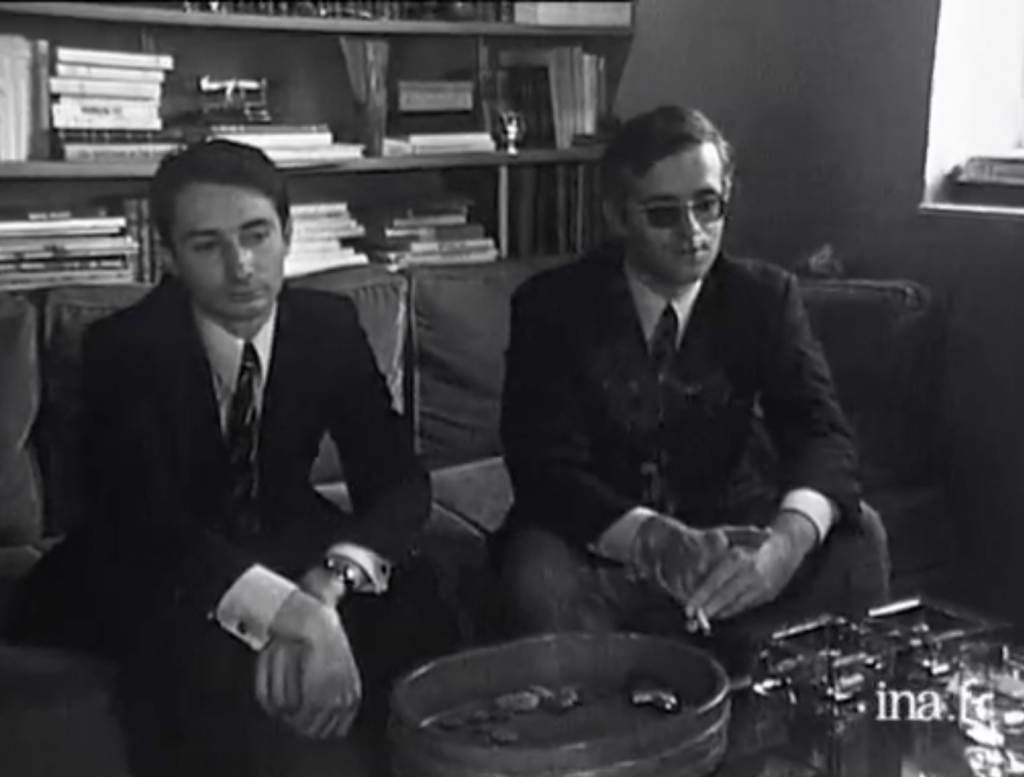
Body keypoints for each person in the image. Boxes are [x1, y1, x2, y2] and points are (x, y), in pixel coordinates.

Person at [10, 140, 448, 777]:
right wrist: (290, 615)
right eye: (207, 245)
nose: (241, 267)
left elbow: (398, 479)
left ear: (287, 234)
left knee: (425, 595)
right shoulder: (122, 347)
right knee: (195, 660)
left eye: (256, 235)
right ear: (170, 256)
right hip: (148, 558)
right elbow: (145, 520)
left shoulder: (327, 325)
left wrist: (327, 586)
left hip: (284, 533)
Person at [496, 105, 889, 663]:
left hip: (728, 531)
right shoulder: (550, 306)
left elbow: (822, 434)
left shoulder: (765, 298)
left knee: (860, 535)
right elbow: (544, 468)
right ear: (617, 215)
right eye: (664, 214)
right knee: (538, 574)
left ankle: (775, 693)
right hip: (603, 540)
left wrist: (783, 546)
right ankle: (611, 711)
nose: (693, 234)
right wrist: (651, 539)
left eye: (708, 205)